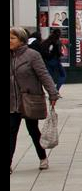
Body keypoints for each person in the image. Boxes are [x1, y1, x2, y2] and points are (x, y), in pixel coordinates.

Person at [10, 26, 60, 173]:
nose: (9, 41)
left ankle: (42, 157)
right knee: (11, 131)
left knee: (33, 130)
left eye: (12, 38)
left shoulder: (32, 55)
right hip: (12, 100)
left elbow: (44, 75)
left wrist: (53, 93)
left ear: (21, 40)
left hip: (29, 100)